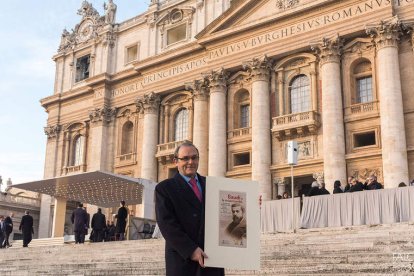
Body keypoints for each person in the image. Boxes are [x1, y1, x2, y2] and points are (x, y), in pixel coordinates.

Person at [155, 141, 225, 276]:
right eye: (185, 158)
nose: (191, 162)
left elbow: (225, 213)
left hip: (212, 258)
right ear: (176, 161)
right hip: (183, 258)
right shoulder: (164, 188)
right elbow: (167, 224)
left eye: (194, 157)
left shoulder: (212, 185)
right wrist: (191, 249)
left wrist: (250, 203)